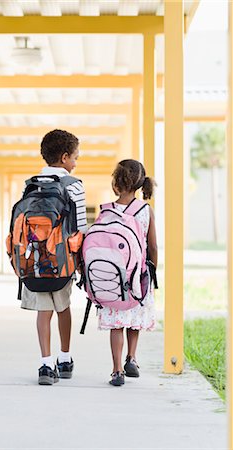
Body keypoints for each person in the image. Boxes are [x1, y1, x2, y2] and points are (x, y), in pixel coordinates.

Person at [20, 129, 87, 385]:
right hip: (63, 260)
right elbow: (80, 226)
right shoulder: (74, 185)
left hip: (35, 260)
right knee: (63, 307)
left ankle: (46, 364)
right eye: (75, 158)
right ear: (65, 157)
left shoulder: (30, 184)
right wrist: (80, 263)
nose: (76, 163)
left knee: (43, 311)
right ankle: (65, 358)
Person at [98, 159, 158, 386]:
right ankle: (131, 357)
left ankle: (116, 371)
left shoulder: (107, 211)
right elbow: (152, 246)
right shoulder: (145, 211)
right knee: (134, 319)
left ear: (116, 184)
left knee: (117, 324)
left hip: (112, 278)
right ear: (141, 184)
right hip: (138, 274)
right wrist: (153, 270)